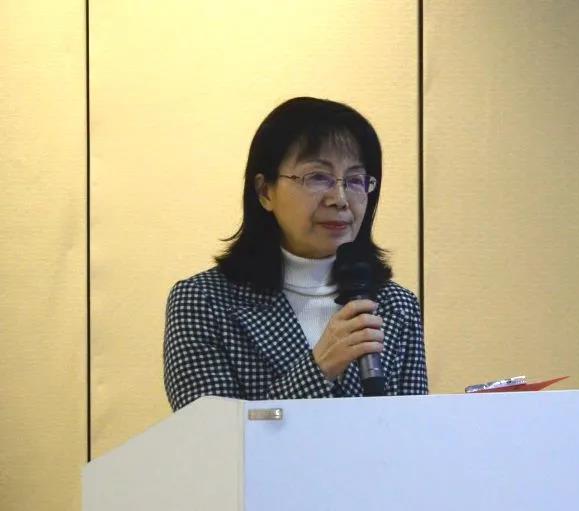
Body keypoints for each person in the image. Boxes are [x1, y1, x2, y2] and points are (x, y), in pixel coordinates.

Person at [163, 97, 428, 411]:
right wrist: (318, 369)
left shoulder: (397, 305)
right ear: (265, 191)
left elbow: (413, 431)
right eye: (318, 177)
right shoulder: (203, 301)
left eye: (355, 180)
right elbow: (211, 435)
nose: (340, 198)